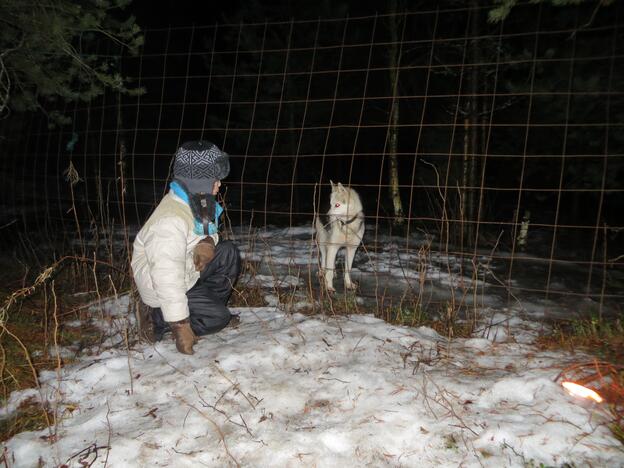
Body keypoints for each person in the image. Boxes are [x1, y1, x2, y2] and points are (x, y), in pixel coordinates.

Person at [131, 140, 241, 355]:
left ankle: (202, 310)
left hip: (186, 271)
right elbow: (166, 276)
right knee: (218, 318)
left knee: (227, 253)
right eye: (215, 180)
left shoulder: (197, 201)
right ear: (199, 181)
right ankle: (157, 318)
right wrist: (181, 325)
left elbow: (206, 230)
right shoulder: (169, 221)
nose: (219, 185)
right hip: (162, 284)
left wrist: (208, 242)